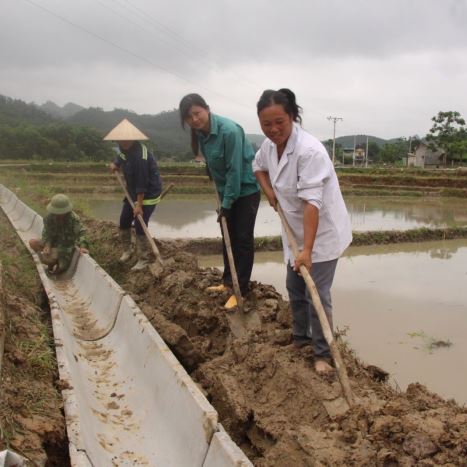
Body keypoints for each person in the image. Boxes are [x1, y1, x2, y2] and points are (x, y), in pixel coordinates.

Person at [252, 89, 352, 374]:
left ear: (293, 117)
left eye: (279, 122)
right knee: (295, 288)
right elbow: (257, 167)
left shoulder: (310, 151)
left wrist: (307, 250)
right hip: (294, 231)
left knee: (316, 295)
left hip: (319, 233)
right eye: (266, 124)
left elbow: (312, 204)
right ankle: (300, 339)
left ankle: (322, 355)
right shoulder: (269, 146)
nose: (273, 130)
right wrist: (270, 193)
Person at [179, 93, 260, 310]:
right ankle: (227, 282)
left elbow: (234, 170)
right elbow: (215, 165)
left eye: (197, 113)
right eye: (189, 117)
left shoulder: (229, 131)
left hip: (245, 191)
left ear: (207, 109)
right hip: (226, 192)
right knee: (227, 236)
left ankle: (241, 289)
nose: (194, 120)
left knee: (242, 239)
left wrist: (227, 204)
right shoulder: (201, 135)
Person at [104, 119, 163, 270]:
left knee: (139, 224)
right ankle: (127, 250)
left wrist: (139, 205)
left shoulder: (140, 156)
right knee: (124, 221)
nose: (119, 142)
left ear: (130, 138)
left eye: (122, 139)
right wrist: (115, 164)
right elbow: (121, 157)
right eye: (118, 139)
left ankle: (143, 259)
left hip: (147, 193)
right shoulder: (123, 148)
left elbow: (142, 182)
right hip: (132, 191)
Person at [29, 194, 89, 274]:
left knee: (62, 267)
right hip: (53, 244)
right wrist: (47, 245)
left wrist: (83, 246)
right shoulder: (49, 218)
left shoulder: (73, 219)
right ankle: (51, 262)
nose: (59, 215)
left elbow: (81, 232)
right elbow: (47, 233)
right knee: (32, 242)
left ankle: (57, 261)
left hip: (66, 247)